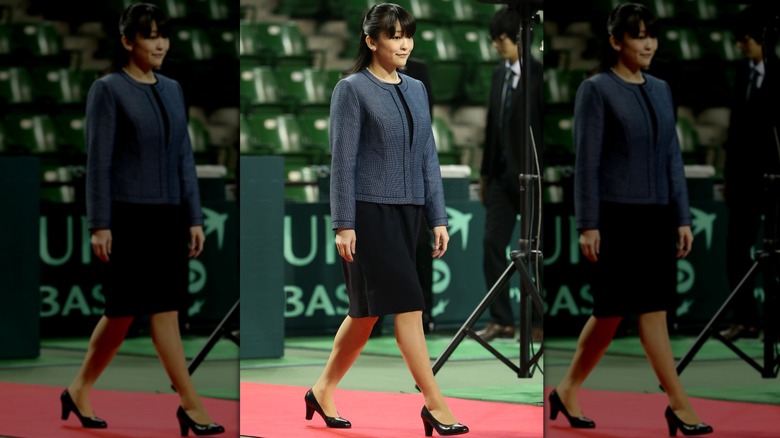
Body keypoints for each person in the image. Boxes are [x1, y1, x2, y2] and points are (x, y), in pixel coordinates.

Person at [548, 4, 712, 436]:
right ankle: (576, 390)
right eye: (638, 35)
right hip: (615, 218)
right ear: (616, 41)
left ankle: (671, 402)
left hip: (657, 216)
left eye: (651, 35)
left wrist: (682, 216)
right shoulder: (596, 90)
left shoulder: (660, 88)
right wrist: (588, 223)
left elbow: (673, 158)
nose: (648, 43)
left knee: (651, 312)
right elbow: (587, 163)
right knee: (608, 313)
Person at [61, 3, 224, 436]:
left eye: (163, 35)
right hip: (126, 217)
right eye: (149, 35)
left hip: (168, 216)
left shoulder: (172, 88)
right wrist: (100, 223)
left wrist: (193, 216)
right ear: (127, 41)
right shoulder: (108, 90)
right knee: (122, 313)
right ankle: (190, 403)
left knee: (156, 312)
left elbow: (184, 158)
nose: (159, 43)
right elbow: (99, 163)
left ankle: (79, 389)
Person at [307, 3, 468, 436]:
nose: (404, 43)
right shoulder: (351, 89)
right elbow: (342, 161)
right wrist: (343, 222)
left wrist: (438, 215)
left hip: (411, 211)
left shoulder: (416, 88)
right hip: (368, 213)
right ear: (371, 40)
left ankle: (322, 390)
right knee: (409, 307)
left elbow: (428, 157)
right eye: (394, 35)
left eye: (408, 34)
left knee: (363, 313)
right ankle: (435, 404)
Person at [475, 6, 543, 343]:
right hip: (501, 178)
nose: (496, 45)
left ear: (519, 37)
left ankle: (538, 322)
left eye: (501, 39)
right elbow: (492, 127)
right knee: (491, 243)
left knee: (532, 251)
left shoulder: (539, 75)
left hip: (530, 178)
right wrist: (485, 175)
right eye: (494, 39)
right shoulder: (500, 75)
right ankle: (501, 320)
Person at [718, 5, 780, 342]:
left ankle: (775, 323)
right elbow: (735, 132)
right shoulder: (743, 74)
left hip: (774, 184)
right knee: (735, 251)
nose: (741, 45)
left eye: (746, 39)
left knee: (776, 256)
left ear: (764, 38)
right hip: (743, 182)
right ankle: (745, 319)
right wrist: (729, 177)